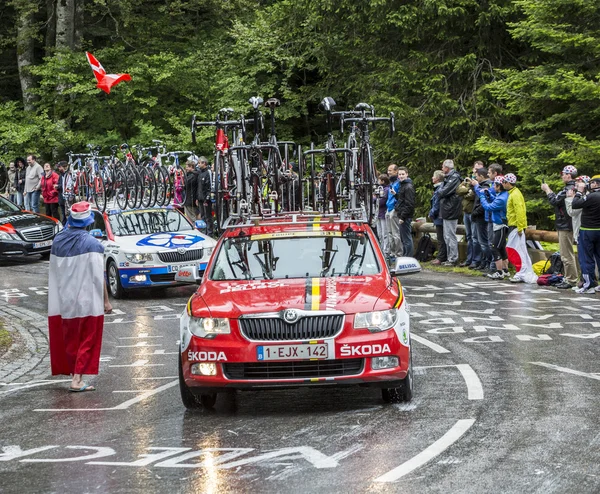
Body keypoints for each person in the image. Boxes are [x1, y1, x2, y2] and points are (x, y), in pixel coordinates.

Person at [48, 202, 111, 392]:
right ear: (88, 223)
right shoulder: (93, 244)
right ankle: (77, 379)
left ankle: (73, 374)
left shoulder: (58, 241)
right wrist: (106, 301)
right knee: (88, 338)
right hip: (86, 301)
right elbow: (98, 275)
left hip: (64, 299)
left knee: (70, 337)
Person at [541, 165, 578, 289]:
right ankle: (570, 278)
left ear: (569, 175)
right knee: (566, 253)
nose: (562, 176)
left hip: (565, 225)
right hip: (567, 224)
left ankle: (571, 279)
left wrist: (547, 189)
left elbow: (554, 201)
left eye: (563, 174)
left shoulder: (569, 188)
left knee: (566, 254)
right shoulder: (574, 187)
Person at [571, 175, 600, 294]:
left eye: (592, 182)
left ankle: (589, 284)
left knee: (586, 258)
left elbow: (575, 204)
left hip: (587, 230)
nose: (590, 184)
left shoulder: (592, 196)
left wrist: (579, 192)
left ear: (597, 184)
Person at [476, 175, 509, 279]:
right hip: (499, 224)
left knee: (494, 247)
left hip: (501, 225)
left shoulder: (502, 198)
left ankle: (499, 272)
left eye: (495, 184)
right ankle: (505, 270)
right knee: (502, 248)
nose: (493, 186)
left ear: (499, 186)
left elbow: (488, 207)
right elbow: (494, 199)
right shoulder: (502, 195)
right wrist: (489, 195)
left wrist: (482, 197)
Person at [502, 173, 533, 283]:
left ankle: (521, 272)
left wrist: (520, 227)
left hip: (516, 226)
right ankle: (522, 271)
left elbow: (520, 212)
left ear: (508, 183)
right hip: (514, 225)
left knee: (515, 250)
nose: (502, 184)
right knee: (515, 249)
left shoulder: (515, 194)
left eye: (504, 182)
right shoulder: (513, 193)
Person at [565, 175, 590, 290]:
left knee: (584, 258)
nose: (575, 186)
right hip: (583, 230)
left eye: (578, 184)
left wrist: (570, 198)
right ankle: (585, 281)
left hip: (582, 230)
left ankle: (586, 282)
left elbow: (571, 212)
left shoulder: (584, 198)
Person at [437, 159, 462, 266]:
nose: (442, 169)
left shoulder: (454, 178)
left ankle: (453, 258)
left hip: (451, 209)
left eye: (443, 167)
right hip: (447, 209)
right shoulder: (448, 178)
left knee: (450, 235)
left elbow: (443, 192)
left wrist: (440, 190)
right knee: (446, 235)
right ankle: (449, 257)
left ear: (447, 168)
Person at [469, 167, 492, 271]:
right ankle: (483, 262)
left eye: (477, 176)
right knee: (480, 240)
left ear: (482, 176)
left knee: (484, 242)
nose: (476, 178)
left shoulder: (485, 186)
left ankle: (488, 263)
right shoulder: (480, 185)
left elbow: (483, 202)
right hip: (479, 215)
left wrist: (475, 212)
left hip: (482, 216)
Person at [393, 166, 415, 256]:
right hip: (401, 213)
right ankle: (406, 255)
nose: (401, 176)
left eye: (403, 174)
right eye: (399, 174)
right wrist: (396, 195)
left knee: (406, 238)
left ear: (407, 174)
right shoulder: (403, 185)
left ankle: (408, 256)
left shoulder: (408, 187)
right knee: (403, 237)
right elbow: (402, 199)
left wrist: (403, 217)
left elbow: (409, 204)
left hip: (405, 216)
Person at [385, 164, 403, 263]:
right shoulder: (391, 183)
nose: (389, 172)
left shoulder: (398, 183)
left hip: (394, 209)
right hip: (389, 208)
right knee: (389, 233)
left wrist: (395, 208)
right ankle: (391, 253)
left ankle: (398, 254)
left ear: (396, 171)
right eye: (388, 170)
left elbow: (399, 197)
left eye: (390, 170)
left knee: (396, 233)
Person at [429, 170, 447, 265]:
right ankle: (442, 256)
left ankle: (441, 257)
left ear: (437, 178)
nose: (432, 178)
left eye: (433, 176)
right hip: (440, 215)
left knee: (441, 238)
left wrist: (431, 213)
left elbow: (436, 204)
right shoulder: (440, 187)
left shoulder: (439, 189)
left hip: (439, 216)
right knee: (441, 237)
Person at [196, 156, 214, 236]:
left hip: (206, 199)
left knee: (208, 217)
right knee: (203, 216)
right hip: (200, 198)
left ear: (204, 163)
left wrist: (207, 198)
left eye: (200, 163)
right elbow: (199, 186)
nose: (198, 165)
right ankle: (204, 232)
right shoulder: (200, 173)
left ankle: (210, 233)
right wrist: (197, 198)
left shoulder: (208, 173)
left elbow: (209, 187)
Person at [376, 174, 390, 257]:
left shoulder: (386, 189)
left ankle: (386, 251)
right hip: (379, 213)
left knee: (385, 233)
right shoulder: (379, 189)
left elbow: (381, 201)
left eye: (379, 180)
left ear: (383, 181)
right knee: (379, 233)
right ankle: (381, 249)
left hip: (383, 213)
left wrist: (375, 199)